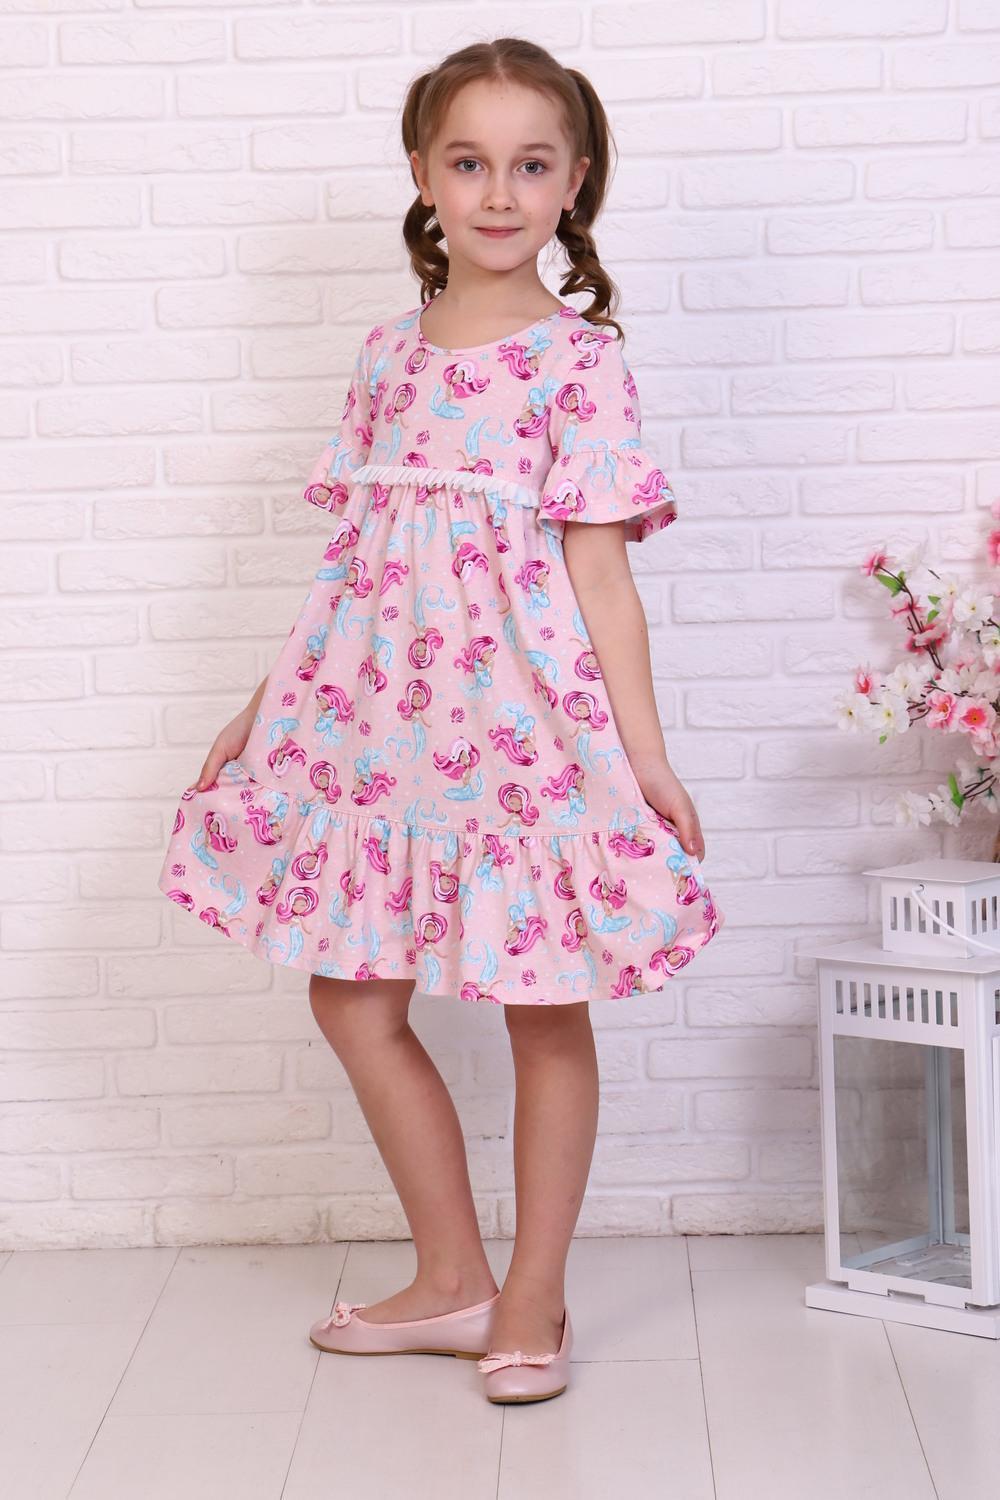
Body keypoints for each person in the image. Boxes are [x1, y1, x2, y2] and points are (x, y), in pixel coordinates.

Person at [157, 35, 725, 1404]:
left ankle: (534, 1296)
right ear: (423, 173)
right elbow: (354, 563)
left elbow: (602, 575)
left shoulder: (579, 363)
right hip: (369, 726)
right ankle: (451, 1275)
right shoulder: (384, 357)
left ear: (575, 183)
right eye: (470, 162)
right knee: (352, 996)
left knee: (543, 1005)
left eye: (531, 165)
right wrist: (260, 709)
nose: (498, 192)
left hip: (524, 727)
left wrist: (644, 758)